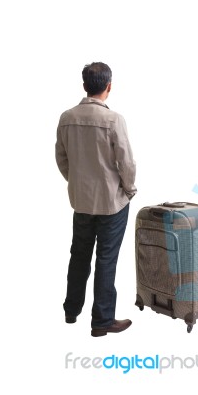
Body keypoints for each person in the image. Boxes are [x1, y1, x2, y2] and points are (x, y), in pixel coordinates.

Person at [55, 62, 137, 337]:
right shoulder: (113, 120)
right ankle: (102, 322)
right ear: (109, 86)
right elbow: (126, 161)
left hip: (81, 201)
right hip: (111, 202)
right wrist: (129, 189)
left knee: (78, 255)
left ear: (84, 86)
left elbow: (61, 157)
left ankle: (71, 310)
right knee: (106, 258)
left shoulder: (66, 117)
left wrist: (77, 183)